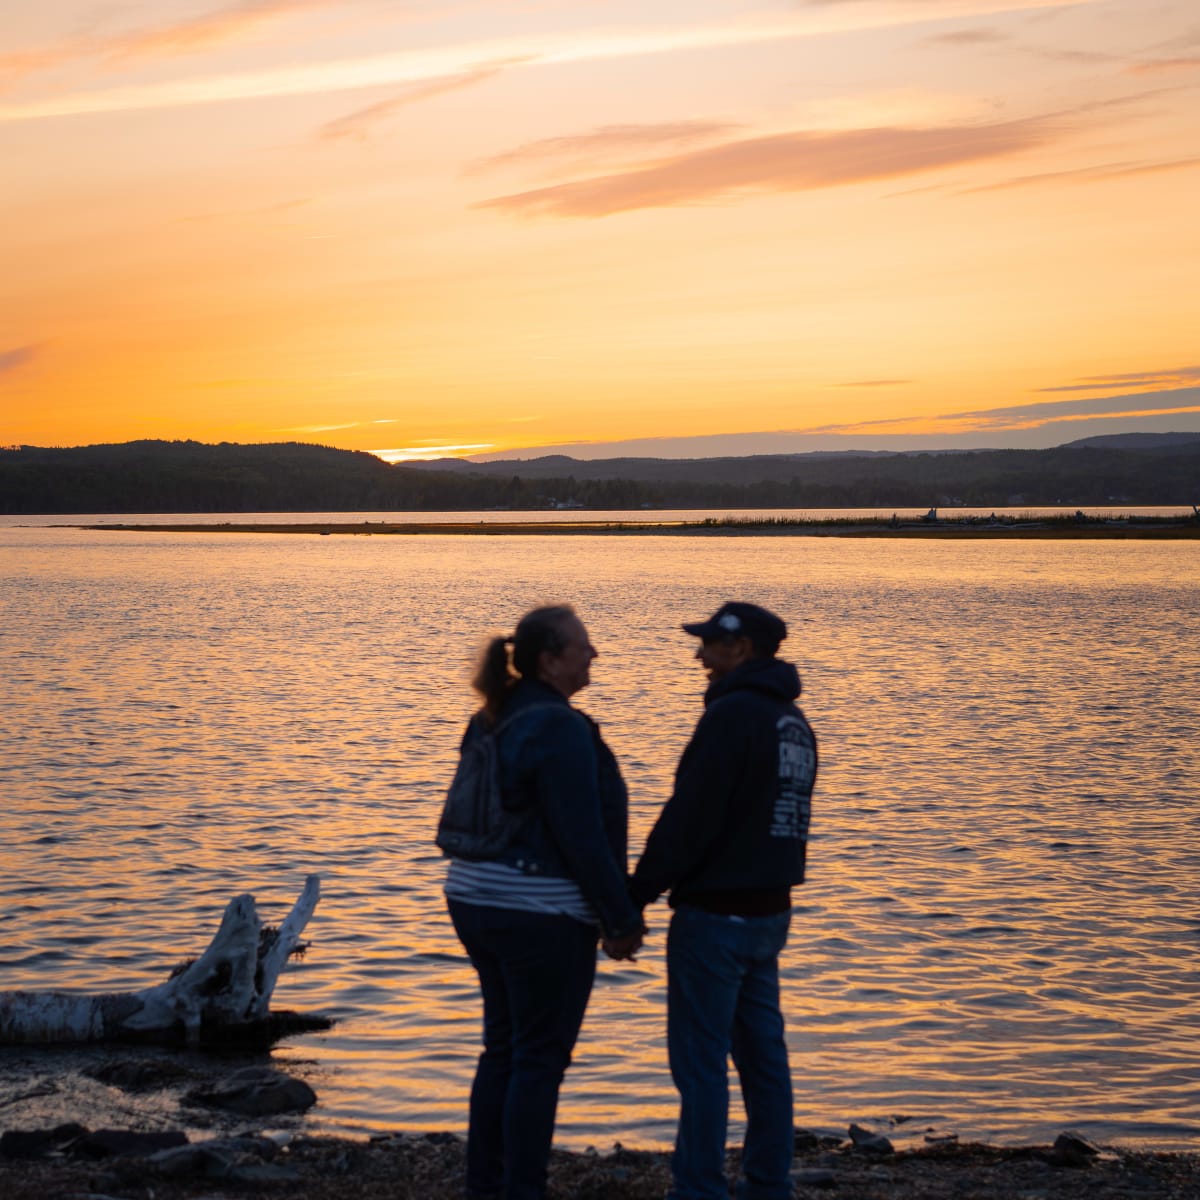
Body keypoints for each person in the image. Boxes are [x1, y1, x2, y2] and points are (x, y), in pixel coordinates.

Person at [443, 604, 644, 1200]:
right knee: (538, 1058)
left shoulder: (492, 715)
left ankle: (487, 1185)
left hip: (473, 898)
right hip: (537, 910)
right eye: (584, 646)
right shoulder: (558, 726)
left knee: (503, 1047)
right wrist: (620, 919)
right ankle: (521, 1189)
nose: (595, 654)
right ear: (550, 661)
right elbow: (579, 834)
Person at [629, 601, 818, 1200]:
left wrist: (632, 897)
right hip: (770, 912)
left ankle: (700, 1188)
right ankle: (769, 1184)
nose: (698, 656)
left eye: (708, 644)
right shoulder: (794, 721)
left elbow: (689, 818)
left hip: (715, 917)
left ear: (740, 649)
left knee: (701, 1063)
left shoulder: (733, 717)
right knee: (765, 1059)